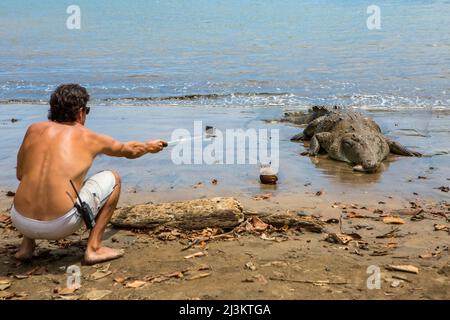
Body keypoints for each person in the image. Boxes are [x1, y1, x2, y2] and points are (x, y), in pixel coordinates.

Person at [11, 84, 167, 264]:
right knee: (113, 178)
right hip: (59, 225)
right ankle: (94, 249)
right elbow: (129, 150)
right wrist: (149, 146)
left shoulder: (33, 129)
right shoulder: (89, 137)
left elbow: (20, 174)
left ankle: (26, 247)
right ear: (80, 112)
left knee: (35, 178)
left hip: (20, 219)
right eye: (87, 110)